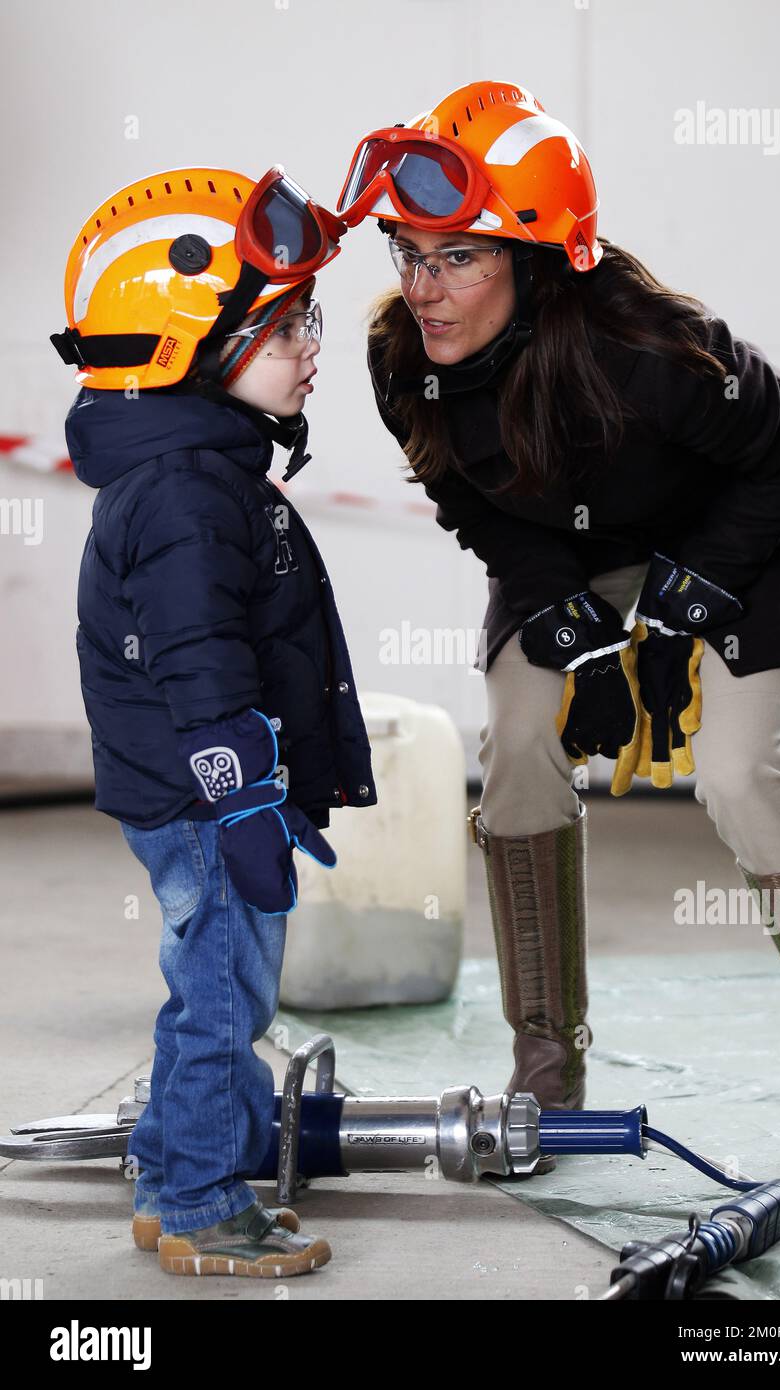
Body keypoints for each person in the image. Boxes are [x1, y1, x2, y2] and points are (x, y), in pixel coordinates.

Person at [337, 79, 780, 1180]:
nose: (421, 289)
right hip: (570, 559)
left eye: (457, 258)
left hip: (744, 538)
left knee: (733, 772)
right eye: (407, 252)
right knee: (520, 743)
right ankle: (545, 1059)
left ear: (532, 260)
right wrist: (574, 631)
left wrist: (681, 610)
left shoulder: (651, 348)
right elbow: (472, 502)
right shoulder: (403, 361)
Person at [51, 165, 377, 1274]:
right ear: (185, 348)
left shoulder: (199, 466)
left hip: (206, 781)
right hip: (205, 792)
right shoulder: (189, 488)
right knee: (221, 994)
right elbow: (195, 658)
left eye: (306, 320)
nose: (312, 347)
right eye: (285, 327)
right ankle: (195, 1201)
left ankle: (166, 1168)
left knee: (211, 979)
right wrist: (242, 795)